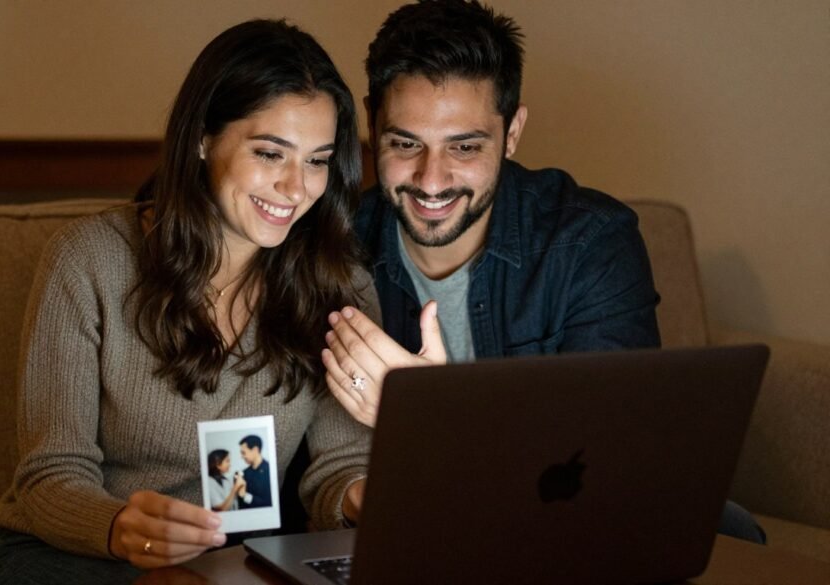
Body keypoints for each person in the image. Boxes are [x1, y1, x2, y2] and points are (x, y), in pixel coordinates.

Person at [321, 0, 765, 544]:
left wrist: (431, 419)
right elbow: (320, 464)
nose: (431, 180)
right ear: (372, 123)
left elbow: (607, 468)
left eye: (464, 146)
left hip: (580, 537)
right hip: (431, 535)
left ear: (512, 133)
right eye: (405, 143)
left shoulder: (590, 243)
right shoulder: (337, 252)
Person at [0, 19, 375, 584]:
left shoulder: (337, 279)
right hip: (77, 556)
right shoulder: (90, 260)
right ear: (202, 139)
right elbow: (49, 475)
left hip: (237, 563)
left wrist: (378, 498)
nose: (296, 188)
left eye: (317, 160)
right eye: (270, 153)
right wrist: (123, 526)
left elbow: (340, 466)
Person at [237, 434, 273, 508]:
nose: (241, 457)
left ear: (255, 450)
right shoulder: (244, 473)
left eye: (243, 453)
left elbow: (270, 503)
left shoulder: (270, 471)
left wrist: (245, 495)